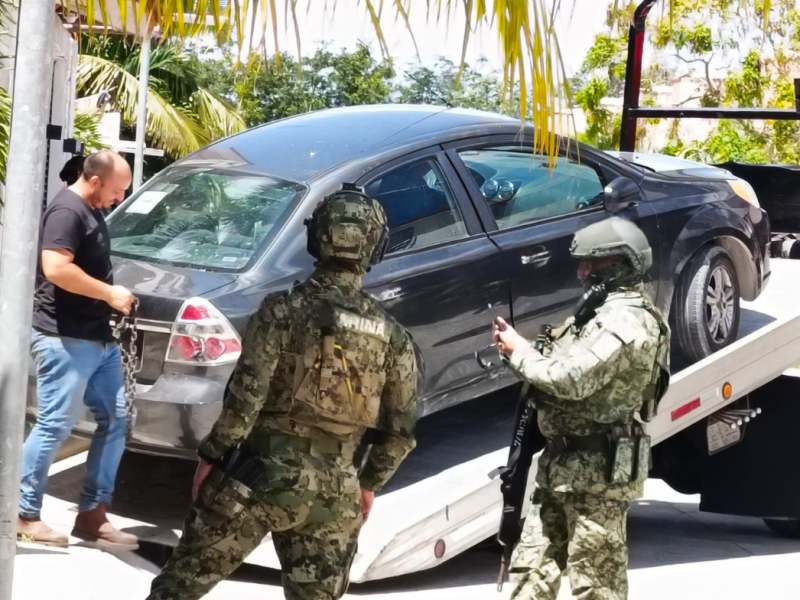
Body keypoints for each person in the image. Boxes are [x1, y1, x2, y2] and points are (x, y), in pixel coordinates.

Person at [147, 186, 418, 600]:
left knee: (178, 589)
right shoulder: (393, 337)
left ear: (316, 240)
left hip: (254, 476)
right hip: (336, 491)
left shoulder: (281, 309)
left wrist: (213, 457)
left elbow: (247, 397)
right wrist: (365, 484)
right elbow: (399, 433)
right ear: (375, 247)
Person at [493, 216, 671, 600]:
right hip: (560, 468)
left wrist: (519, 352)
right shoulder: (597, 313)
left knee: (596, 584)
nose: (581, 271)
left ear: (620, 264)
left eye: (591, 264)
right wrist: (522, 353)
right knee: (530, 573)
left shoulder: (627, 320)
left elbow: (571, 378)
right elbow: (554, 367)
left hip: (598, 478)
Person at [18, 150, 138, 549]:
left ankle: (93, 515)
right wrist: (110, 293)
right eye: (119, 190)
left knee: (117, 419)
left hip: (96, 336)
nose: (121, 198)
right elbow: (55, 268)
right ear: (97, 180)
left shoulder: (91, 208)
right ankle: (22, 513)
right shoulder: (67, 212)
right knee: (54, 424)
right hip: (64, 337)